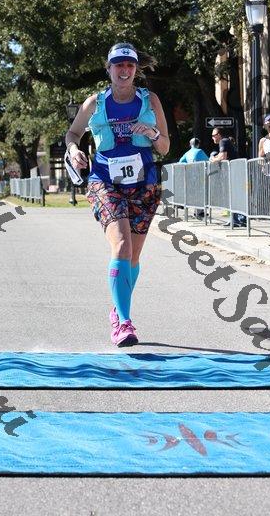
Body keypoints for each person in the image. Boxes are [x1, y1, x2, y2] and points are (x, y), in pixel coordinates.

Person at [65, 42, 169, 347]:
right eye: (118, 65)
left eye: (129, 65)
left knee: (133, 255)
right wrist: (73, 150)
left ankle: (117, 309)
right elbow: (73, 133)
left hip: (144, 183)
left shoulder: (150, 100)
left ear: (135, 69)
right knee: (122, 244)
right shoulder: (94, 103)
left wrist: (151, 133)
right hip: (105, 181)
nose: (124, 70)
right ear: (109, 69)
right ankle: (124, 322)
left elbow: (164, 147)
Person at [210, 127, 246, 227]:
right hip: (235, 172)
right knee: (235, 196)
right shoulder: (226, 141)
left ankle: (238, 220)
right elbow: (221, 155)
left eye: (213, 135)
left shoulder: (223, 141)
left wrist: (212, 159)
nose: (212, 138)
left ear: (219, 135)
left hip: (234, 173)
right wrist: (216, 157)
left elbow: (223, 157)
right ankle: (238, 219)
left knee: (234, 196)